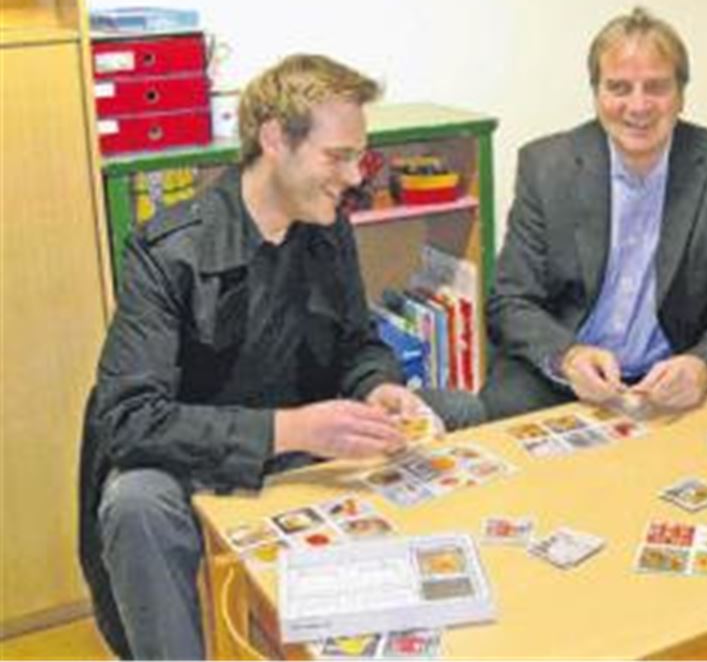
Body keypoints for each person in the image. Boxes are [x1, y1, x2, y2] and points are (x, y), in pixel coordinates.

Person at [78, 54, 483, 659]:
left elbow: (356, 343)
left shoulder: (327, 225)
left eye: (358, 156)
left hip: (302, 433)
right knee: (134, 502)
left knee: (460, 410)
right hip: (195, 454)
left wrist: (378, 386)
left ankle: (427, 628)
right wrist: (288, 428)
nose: (353, 176)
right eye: (337, 156)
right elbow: (129, 419)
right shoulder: (167, 251)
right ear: (274, 139)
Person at [481, 7, 707, 420]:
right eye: (619, 88)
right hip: (564, 374)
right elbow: (510, 300)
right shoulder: (546, 166)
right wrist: (567, 358)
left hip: (675, 375)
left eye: (656, 87)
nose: (638, 106)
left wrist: (705, 367)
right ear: (597, 93)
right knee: (501, 413)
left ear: (681, 94)